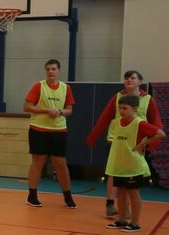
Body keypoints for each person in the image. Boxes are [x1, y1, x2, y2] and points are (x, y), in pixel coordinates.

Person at [86, 70, 163, 216]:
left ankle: (126, 209)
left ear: (140, 82)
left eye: (132, 78)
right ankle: (110, 203)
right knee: (112, 172)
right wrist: (93, 136)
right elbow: (105, 117)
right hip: (116, 139)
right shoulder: (118, 97)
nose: (128, 80)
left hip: (136, 143)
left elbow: (156, 122)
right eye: (126, 77)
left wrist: (152, 143)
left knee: (130, 176)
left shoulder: (147, 99)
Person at [103, 95, 165, 232]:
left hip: (133, 166)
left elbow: (160, 134)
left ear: (135, 108)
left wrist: (144, 142)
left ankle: (135, 223)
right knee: (120, 193)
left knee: (133, 193)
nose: (121, 110)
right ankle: (122, 219)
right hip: (120, 165)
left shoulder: (139, 123)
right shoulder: (117, 122)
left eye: (125, 108)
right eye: (119, 108)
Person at [23, 59, 76, 208]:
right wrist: (45, 110)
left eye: (53, 69)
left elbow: (69, 110)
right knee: (38, 161)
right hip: (38, 129)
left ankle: (68, 196)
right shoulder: (39, 86)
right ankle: (32, 195)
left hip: (59, 130)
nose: (50, 71)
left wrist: (59, 112)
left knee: (60, 163)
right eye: (48, 69)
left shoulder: (66, 88)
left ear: (58, 71)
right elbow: (27, 106)